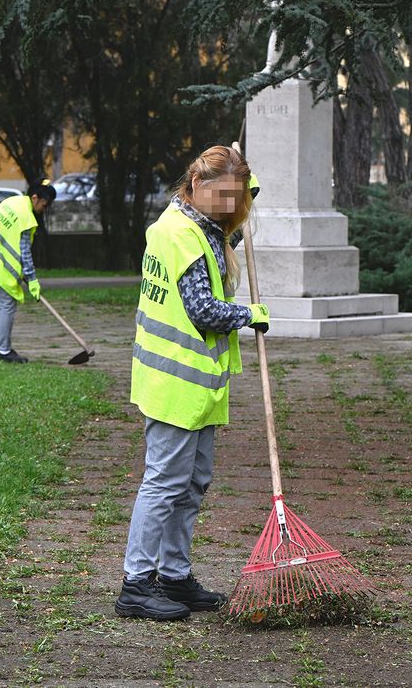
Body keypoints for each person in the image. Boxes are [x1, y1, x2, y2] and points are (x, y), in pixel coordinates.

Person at [117, 146, 269, 621]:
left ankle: (175, 576)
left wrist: (248, 186)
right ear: (198, 185)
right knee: (163, 484)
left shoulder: (198, 223)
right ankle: (136, 585)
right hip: (175, 383)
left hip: (196, 383)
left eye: (235, 197)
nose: (229, 206)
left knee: (192, 483)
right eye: (222, 195)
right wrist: (249, 314)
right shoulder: (179, 234)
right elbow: (204, 311)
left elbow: (232, 227)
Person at [0, 179, 57, 363]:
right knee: (7, 304)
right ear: (35, 198)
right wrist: (32, 279)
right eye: (44, 204)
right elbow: (24, 252)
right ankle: (4, 350)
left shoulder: (12, 202)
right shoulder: (27, 217)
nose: (45, 208)